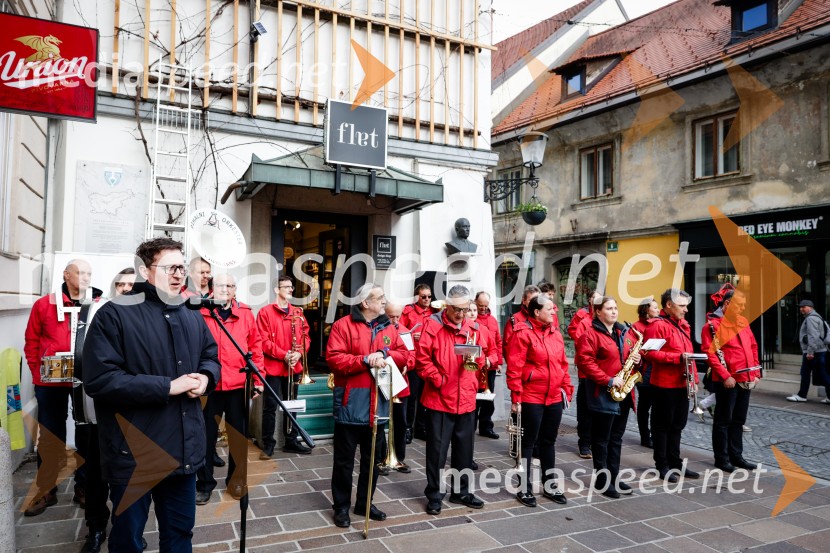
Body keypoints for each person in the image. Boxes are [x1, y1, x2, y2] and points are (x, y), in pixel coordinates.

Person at [83, 238, 220, 552]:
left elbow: (210, 356)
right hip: (134, 456)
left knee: (180, 536)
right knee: (128, 541)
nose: (178, 275)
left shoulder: (190, 314)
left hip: (183, 451)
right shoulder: (114, 314)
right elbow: (100, 380)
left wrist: (206, 377)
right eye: (170, 267)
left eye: (182, 268)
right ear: (145, 270)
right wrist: (168, 387)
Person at [23, 258, 102, 517]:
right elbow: (32, 340)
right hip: (51, 380)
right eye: (81, 272)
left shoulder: (97, 304)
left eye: (90, 273)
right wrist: (38, 375)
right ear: (67, 275)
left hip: (85, 378)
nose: (87, 277)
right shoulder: (44, 305)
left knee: (87, 433)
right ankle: (46, 489)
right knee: (50, 433)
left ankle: (84, 487)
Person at [326, 284, 409, 528]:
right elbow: (334, 359)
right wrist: (364, 360)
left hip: (378, 407)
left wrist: (384, 352)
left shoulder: (389, 327)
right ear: (365, 303)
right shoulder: (343, 325)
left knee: (372, 461)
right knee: (344, 462)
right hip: (351, 406)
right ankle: (341, 507)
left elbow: (406, 355)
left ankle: (364, 502)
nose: (384, 301)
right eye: (379, 298)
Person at [76, 268, 136, 553]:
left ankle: (127, 530)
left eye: (130, 284)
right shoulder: (98, 312)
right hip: (100, 412)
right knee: (97, 475)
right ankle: (96, 527)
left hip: (133, 414)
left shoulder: (145, 315)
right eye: (119, 283)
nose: (124, 288)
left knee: (129, 479)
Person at [196, 273, 265, 505]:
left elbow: (255, 346)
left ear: (235, 289)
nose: (225, 288)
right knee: (204, 438)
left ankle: (236, 480)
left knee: (238, 436)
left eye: (230, 285)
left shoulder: (245, 312)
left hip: (238, 385)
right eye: (220, 285)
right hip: (209, 385)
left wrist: (258, 378)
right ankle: (204, 484)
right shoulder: (201, 311)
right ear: (212, 288)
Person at [418, 285, 485, 515]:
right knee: (437, 452)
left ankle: (461, 492)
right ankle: (434, 495)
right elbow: (422, 359)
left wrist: (476, 359)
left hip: (465, 396)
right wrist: (437, 379)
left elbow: (481, 357)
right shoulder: (433, 326)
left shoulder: (473, 326)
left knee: (465, 451)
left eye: (465, 309)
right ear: (447, 306)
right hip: (440, 398)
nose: (460, 314)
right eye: (456, 309)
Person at [506, 294, 572, 507]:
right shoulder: (522, 333)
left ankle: (549, 485)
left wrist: (566, 388)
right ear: (537, 311)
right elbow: (514, 368)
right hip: (531, 396)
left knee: (549, 442)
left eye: (554, 309)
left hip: (553, 397)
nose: (555, 312)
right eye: (550, 309)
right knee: (527, 443)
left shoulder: (555, 333)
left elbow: (563, 364)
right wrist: (516, 396)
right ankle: (524, 488)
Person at [575, 296, 640, 499]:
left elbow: (625, 358)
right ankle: (603, 481)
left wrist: (636, 358)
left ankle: (614, 476)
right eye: (609, 308)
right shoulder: (590, 334)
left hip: (624, 394)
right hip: (604, 393)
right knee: (601, 440)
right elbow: (585, 362)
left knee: (616, 439)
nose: (614, 311)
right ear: (598, 312)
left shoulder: (622, 332)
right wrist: (608, 380)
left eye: (615, 308)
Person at [701, 284, 761, 472]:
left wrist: (756, 372)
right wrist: (726, 376)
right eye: (740, 305)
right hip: (728, 380)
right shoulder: (712, 325)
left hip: (745, 377)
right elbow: (710, 355)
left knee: (738, 420)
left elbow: (753, 347)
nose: (743, 308)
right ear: (727, 303)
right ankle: (722, 458)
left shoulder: (742, 321)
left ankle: (737, 456)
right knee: (723, 420)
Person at [642, 289, 700, 483]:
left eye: (686, 305)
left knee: (678, 425)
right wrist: (676, 358)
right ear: (669, 305)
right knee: (662, 425)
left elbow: (689, 355)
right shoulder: (657, 325)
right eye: (682, 305)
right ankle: (662, 465)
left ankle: (675, 462)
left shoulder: (684, 325)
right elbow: (648, 353)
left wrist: (694, 381)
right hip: (664, 384)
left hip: (682, 382)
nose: (686, 309)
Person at [256, 276, 313, 458]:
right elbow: (262, 341)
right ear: (276, 289)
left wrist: (299, 353)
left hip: (294, 367)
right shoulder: (265, 312)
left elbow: (306, 337)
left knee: (293, 405)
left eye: (291, 287)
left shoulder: (298, 312)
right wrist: (284, 354)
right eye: (286, 286)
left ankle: (291, 440)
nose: (290, 289)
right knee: (270, 406)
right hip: (273, 367)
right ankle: (268, 444)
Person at [400, 283, 439, 442]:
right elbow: (399, 332)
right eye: (424, 297)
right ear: (417, 297)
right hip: (414, 360)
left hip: (429, 360)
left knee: (425, 396)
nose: (427, 299)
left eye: (429, 296)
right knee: (411, 396)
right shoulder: (408, 312)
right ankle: (407, 428)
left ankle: (421, 428)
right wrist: (411, 336)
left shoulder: (435, 313)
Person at [567, 289, 602, 459]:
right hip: (587, 372)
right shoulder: (583, 318)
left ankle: (598, 441)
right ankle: (585, 443)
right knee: (586, 409)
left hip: (605, 374)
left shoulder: (608, 322)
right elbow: (576, 336)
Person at [382, 303, 415, 474]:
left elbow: (413, 354)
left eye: (397, 316)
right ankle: (381, 458)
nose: (395, 320)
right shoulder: (379, 328)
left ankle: (398, 458)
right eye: (391, 316)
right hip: (382, 381)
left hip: (401, 384)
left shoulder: (404, 330)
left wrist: (407, 365)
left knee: (400, 423)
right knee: (380, 421)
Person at [786, 299, 830, 403]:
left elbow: (813, 336)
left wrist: (810, 352)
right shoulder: (817, 317)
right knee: (823, 375)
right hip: (820, 351)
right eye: (800, 307)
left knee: (806, 373)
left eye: (804, 307)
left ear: (810, 307)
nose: (801, 309)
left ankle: (802, 395)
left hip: (814, 352)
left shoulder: (811, 319)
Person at [474, 291, 502, 439]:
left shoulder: (492, 320)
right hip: (476, 366)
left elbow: (498, 342)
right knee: (475, 399)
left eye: (485, 305)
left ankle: (486, 426)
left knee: (487, 399)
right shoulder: (472, 318)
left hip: (489, 366)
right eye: (480, 306)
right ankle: (471, 425)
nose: (483, 308)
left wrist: (498, 362)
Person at [633, 298, 659, 448]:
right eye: (654, 307)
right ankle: (645, 436)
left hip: (657, 367)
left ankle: (655, 435)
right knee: (644, 405)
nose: (657, 310)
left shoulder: (660, 323)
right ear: (646, 309)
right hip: (644, 369)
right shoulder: (637, 326)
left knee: (656, 405)